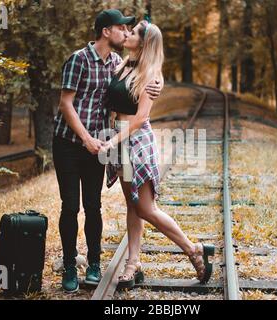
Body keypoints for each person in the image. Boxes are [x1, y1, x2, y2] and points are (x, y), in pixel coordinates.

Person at [52, 9, 162, 293]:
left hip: (97, 145)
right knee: (70, 206)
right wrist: (86, 138)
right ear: (106, 32)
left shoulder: (117, 63)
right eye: (121, 28)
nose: (126, 33)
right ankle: (68, 266)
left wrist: (157, 81)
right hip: (68, 143)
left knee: (93, 206)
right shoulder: (78, 60)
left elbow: (140, 75)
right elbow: (66, 104)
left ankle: (93, 265)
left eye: (130, 30)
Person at [100, 20, 215, 289]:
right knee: (132, 205)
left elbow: (140, 118)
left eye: (133, 32)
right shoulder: (123, 64)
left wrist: (112, 141)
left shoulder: (151, 74)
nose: (127, 33)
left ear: (144, 42)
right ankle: (133, 263)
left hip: (135, 140)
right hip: (120, 139)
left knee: (145, 207)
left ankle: (193, 248)